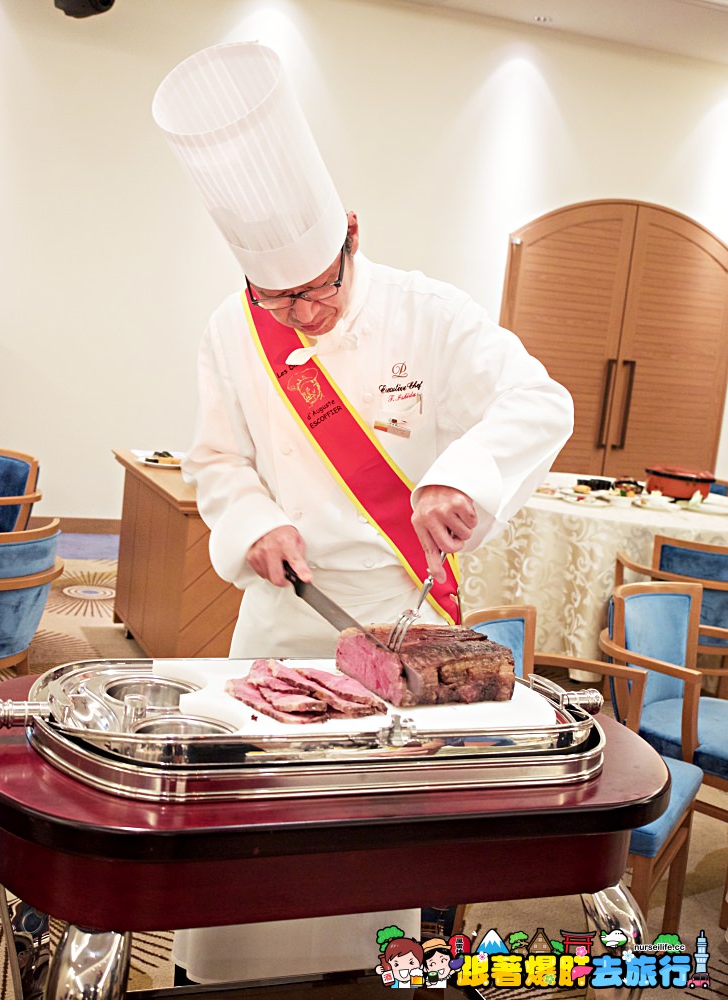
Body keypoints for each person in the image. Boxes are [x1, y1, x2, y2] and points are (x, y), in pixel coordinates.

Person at [152, 40, 573, 985]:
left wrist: (463, 477)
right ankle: (219, 970)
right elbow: (217, 459)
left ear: (350, 232)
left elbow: (541, 403)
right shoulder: (233, 328)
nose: (301, 315)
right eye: (277, 298)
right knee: (252, 816)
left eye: (317, 291)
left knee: (362, 842)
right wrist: (253, 521)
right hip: (282, 607)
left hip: (396, 621)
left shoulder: (431, 314)